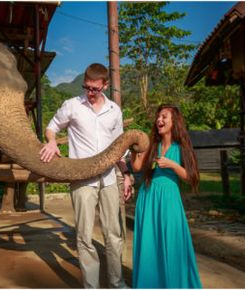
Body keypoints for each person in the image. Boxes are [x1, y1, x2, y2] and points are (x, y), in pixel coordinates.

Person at [40, 63, 132, 288]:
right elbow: (52, 127)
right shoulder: (72, 105)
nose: (89, 93)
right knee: (84, 236)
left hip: (110, 178)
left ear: (105, 85)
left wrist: (127, 174)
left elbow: (120, 147)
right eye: (86, 87)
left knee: (114, 234)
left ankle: (116, 283)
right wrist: (52, 142)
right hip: (82, 180)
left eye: (95, 89)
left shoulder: (114, 111)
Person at [130, 104, 202, 288]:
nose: (159, 120)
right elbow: (137, 168)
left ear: (174, 122)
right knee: (149, 242)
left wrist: (172, 165)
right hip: (148, 196)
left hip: (169, 199)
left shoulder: (182, 147)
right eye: (158, 117)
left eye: (164, 117)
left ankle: (173, 283)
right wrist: (133, 150)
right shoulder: (152, 145)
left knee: (171, 241)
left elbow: (191, 177)